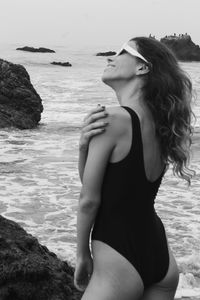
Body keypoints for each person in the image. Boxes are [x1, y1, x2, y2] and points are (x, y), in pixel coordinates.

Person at [74, 37, 195, 300]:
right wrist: (84, 147)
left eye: (122, 52)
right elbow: (107, 185)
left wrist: (82, 253)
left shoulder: (113, 118)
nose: (110, 57)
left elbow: (89, 200)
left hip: (118, 258)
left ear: (142, 68)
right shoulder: (163, 127)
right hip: (161, 260)